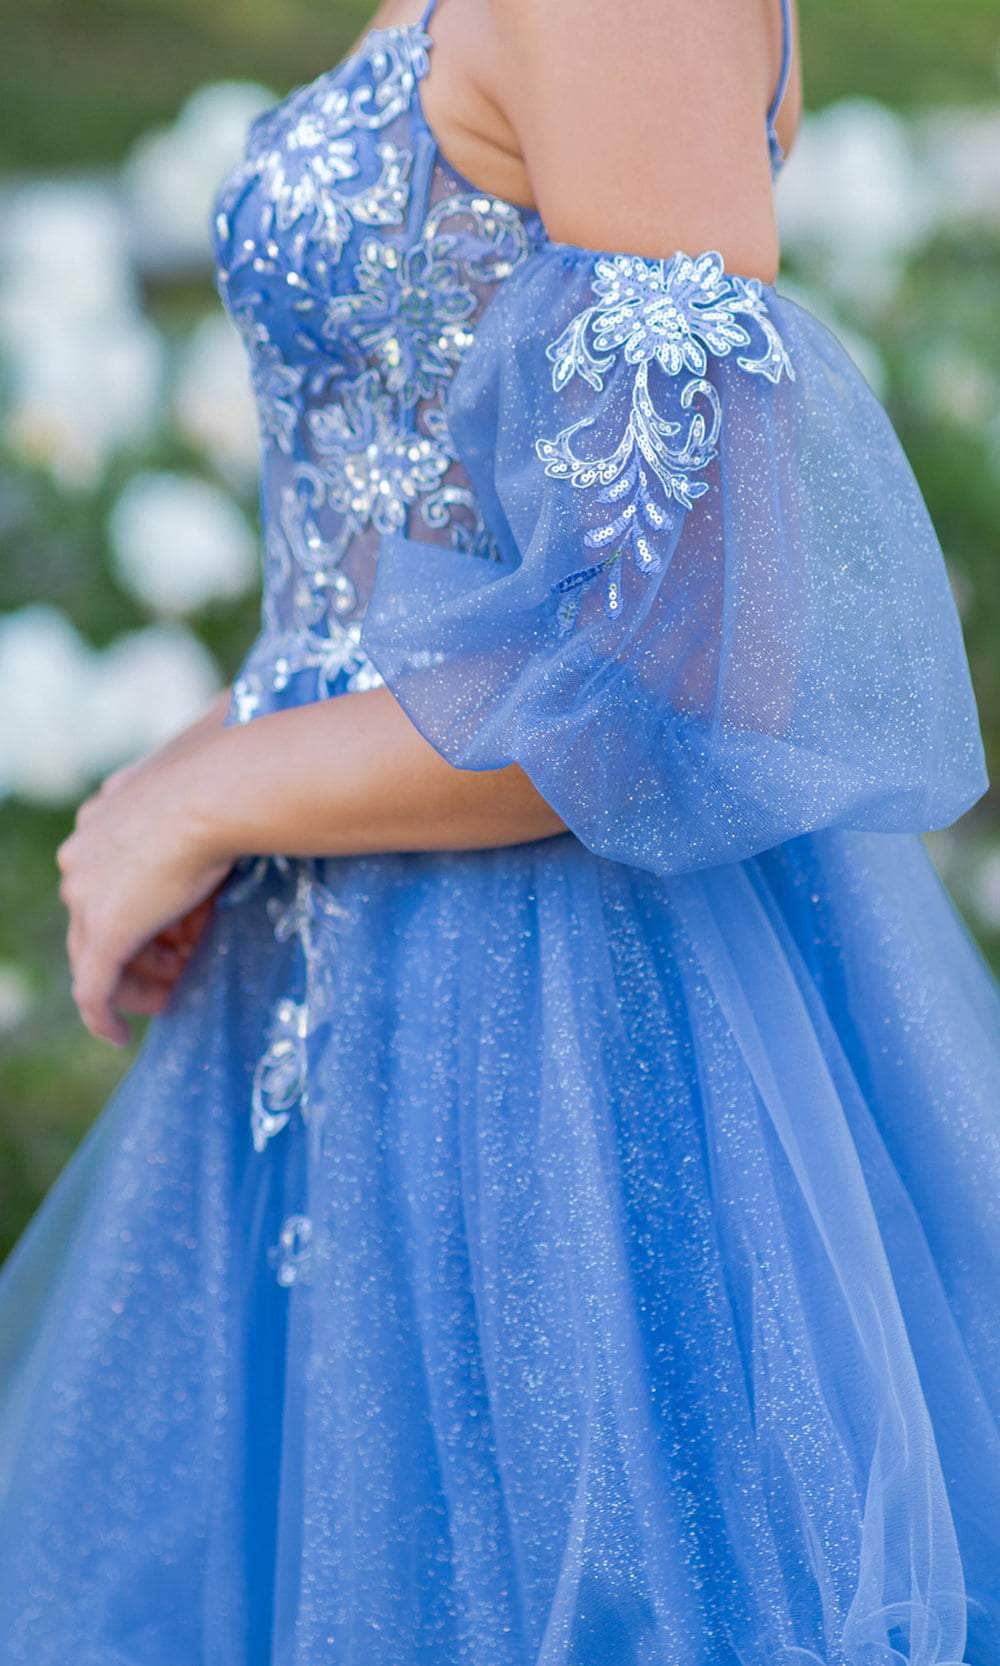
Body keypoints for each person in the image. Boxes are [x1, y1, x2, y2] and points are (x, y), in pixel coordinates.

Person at [1, 0, 998, 1659]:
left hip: (554, 1043)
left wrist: (216, 790)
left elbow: (685, 659)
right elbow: (405, 540)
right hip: (355, 981)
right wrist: (222, 753)